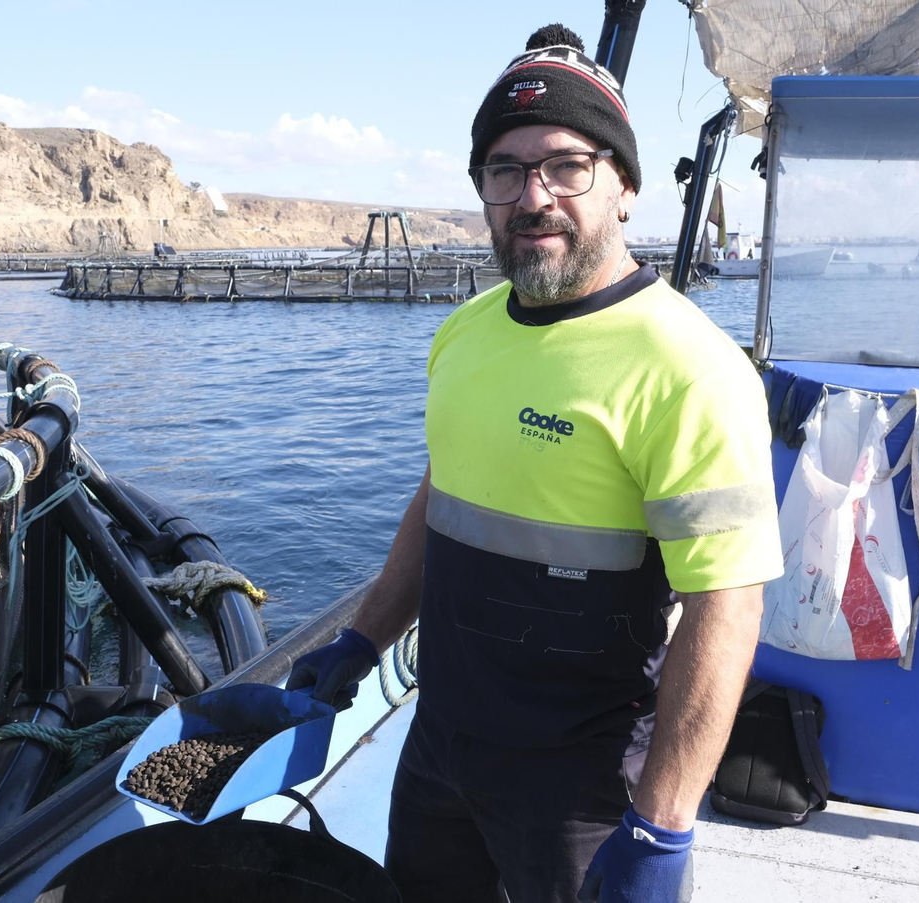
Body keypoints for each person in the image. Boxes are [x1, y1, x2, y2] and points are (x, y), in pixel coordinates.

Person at [287, 23, 783, 903]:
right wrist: (361, 639)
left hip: (583, 786)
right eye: (505, 172)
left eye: (566, 165)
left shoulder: (689, 368)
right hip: (439, 747)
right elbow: (442, 500)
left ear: (624, 185)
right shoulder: (463, 335)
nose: (533, 196)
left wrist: (664, 821)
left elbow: (726, 604)